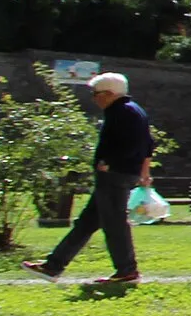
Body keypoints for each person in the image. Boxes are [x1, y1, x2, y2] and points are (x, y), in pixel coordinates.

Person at [24, 71, 154, 286]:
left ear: (110, 93)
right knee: (86, 223)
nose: (94, 98)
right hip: (119, 173)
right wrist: (144, 170)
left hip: (115, 174)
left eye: (97, 94)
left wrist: (108, 162)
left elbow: (134, 145)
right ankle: (53, 266)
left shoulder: (122, 112)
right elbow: (148, 143)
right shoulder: (131, 110)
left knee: (115, 224)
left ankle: (127, 271)